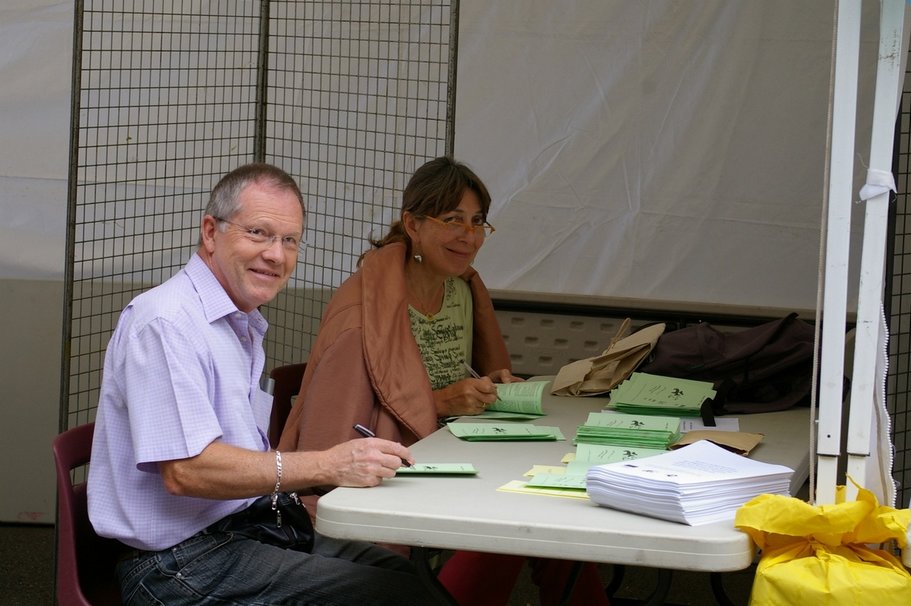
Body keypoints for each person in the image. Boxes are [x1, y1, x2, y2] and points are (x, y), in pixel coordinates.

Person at [87, 163, 446, 606]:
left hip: (240, 530)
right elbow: (187, 470)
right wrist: (327, 466)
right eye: (258, 233)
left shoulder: (235, 322)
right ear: (211, 232)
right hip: (175, 564)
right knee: (398, 596)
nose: (276, 255)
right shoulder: (167, 322)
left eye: (289, 240)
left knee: (401, 574)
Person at [278, 156, 610, 606]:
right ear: (411, 223)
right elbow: (338, 435)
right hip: (399, 476)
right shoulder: (364, 310)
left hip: (457, 456)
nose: (468, 237)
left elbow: (460, 373)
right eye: (452, 220)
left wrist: (489, 383)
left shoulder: (462, 288)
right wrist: (437, 402)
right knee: (518, 531)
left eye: (477, 223)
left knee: (562, 525)